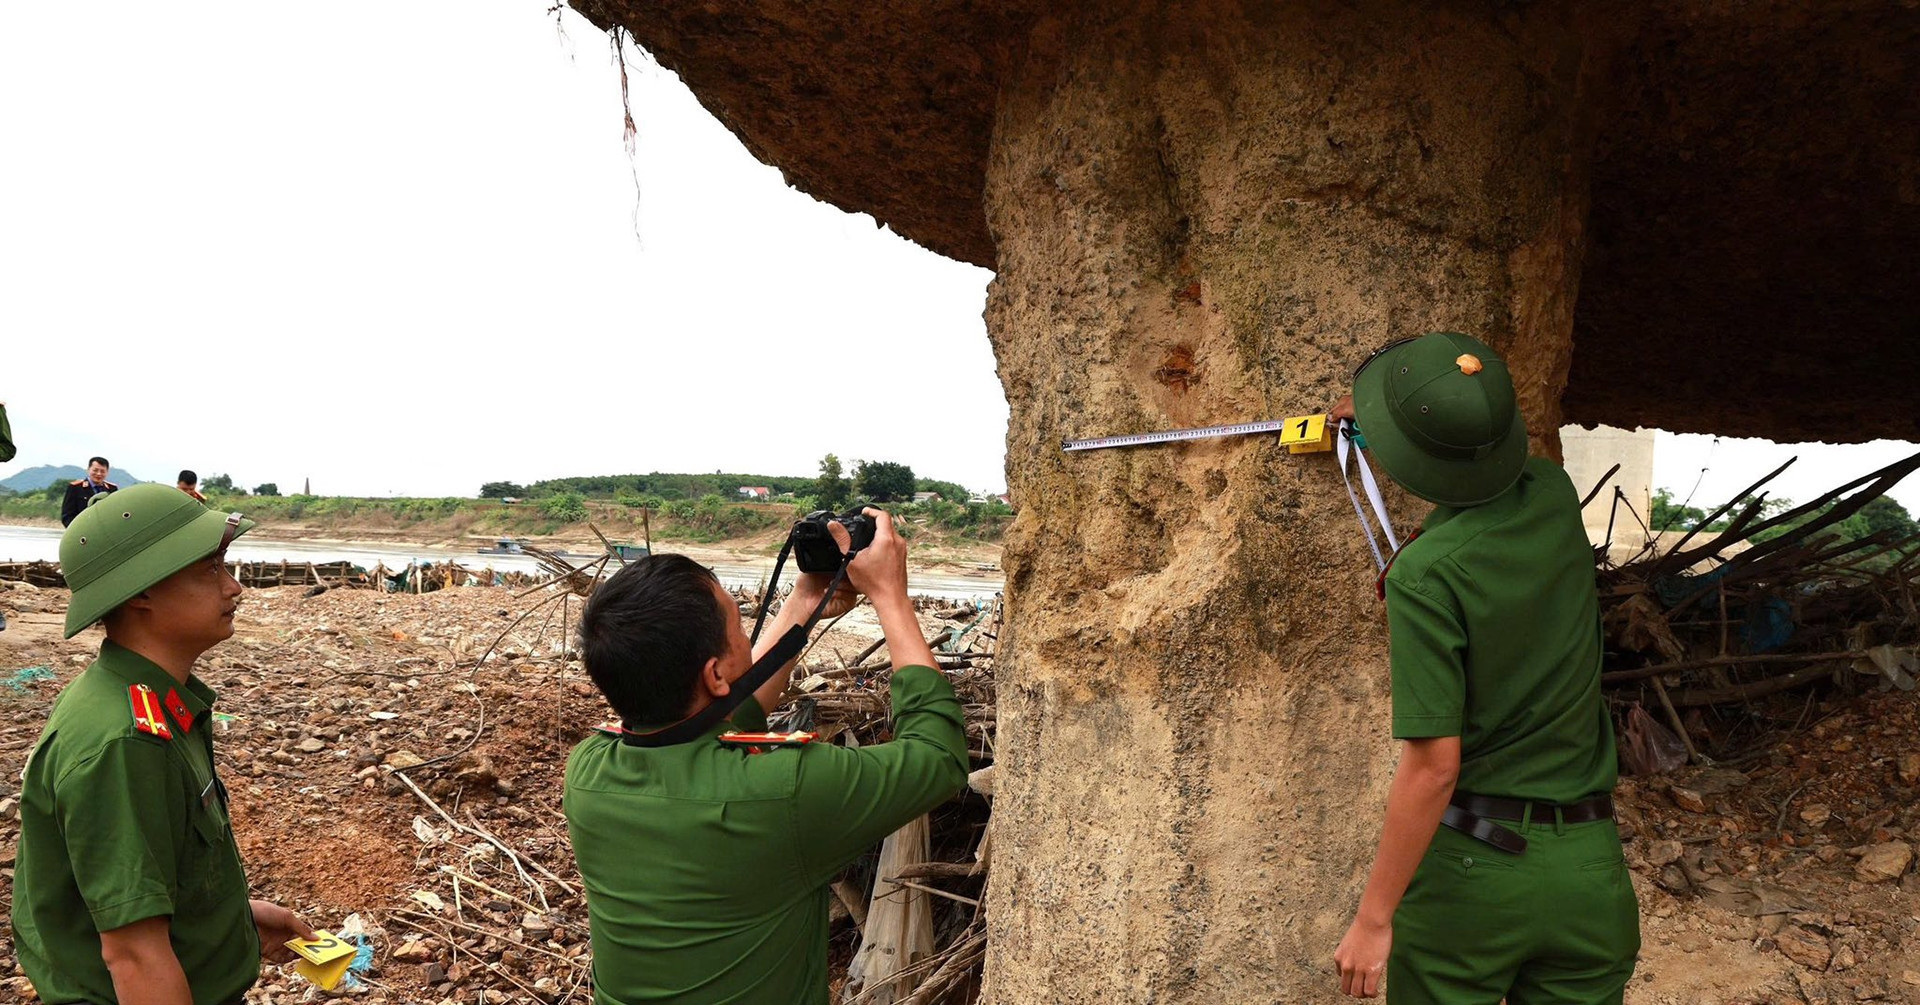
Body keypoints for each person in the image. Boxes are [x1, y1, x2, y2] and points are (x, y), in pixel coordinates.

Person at [1330, 332, 1639, 1003]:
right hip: (1590, 871)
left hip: (1475, 876)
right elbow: (1487, 469)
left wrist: (1372, 918)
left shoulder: (1423, 576)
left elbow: (1434, 766)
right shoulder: (1555, 494)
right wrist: (1391, 426)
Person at [564, 508, 969, 1005]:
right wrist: (890, 596)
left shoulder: (587, 770)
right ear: (715, 675)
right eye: (739, 625)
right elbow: (940, 755)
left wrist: (804, 599)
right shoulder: (787, 790)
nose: (746, 636)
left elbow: (719, 717)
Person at [12, 483, 313, 1005]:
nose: (234, 587)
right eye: (209, 569)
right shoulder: (124, 741)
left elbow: (147, 875)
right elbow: (133, 956)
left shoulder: (150, 702)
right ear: (140, 592)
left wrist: (233, 920)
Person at [61, 455, 118, 526]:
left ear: (107, 472)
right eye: (95, 470)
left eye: (102, 471)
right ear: (88, 469)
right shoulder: (75, 487)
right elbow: (67, 516)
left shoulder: (112, 489)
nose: (99, 474)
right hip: (82, 529)